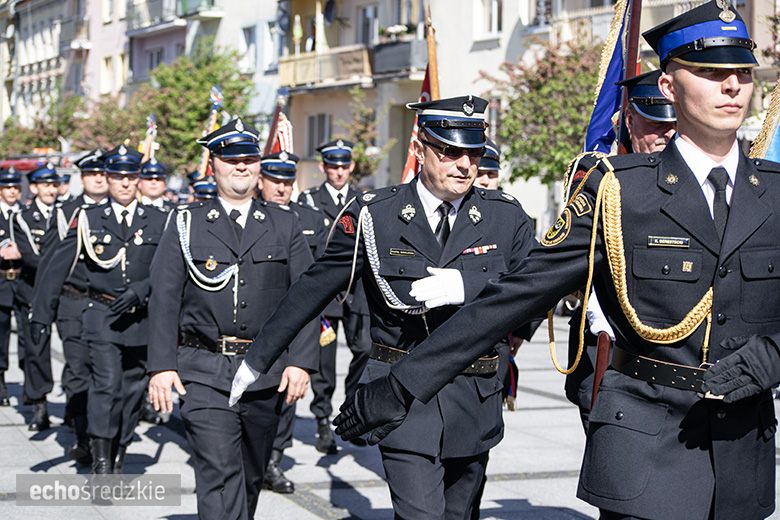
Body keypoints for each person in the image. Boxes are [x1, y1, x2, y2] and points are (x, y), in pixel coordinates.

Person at [333, 3, 780, 519]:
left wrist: (773, 354)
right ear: (668, 86)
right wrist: (401, 386)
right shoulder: (617, 191)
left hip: (742, 458)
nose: (732, 86)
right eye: (709, 72)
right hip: (647, 454)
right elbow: (513, 297)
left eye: (742, 73)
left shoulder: (772, 193)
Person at [231, 96, 539, 519]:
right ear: (419, 148)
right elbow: (312, 288)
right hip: (401, 395)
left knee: (459, 513)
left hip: (473, 394)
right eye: (449, 152)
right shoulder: (375, 214)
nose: (465, 165)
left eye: (473, 153)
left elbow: (536, 286)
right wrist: (258, 358)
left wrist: (469, 286)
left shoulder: (504, 216)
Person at [147, 118, 318, 520]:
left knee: (250, 474)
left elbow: (306, 297)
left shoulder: (284, 223)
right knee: (219, 473)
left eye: (249, 159)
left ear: (258, 166)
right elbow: (165, 298)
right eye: (230, 159)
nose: (241, 166)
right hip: (204, 369)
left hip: (264, 370)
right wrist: (161, 366)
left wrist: (300, 361)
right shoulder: (186, 222)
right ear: (213, 166)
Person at [31, 144, 168, 474]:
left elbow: (168, 269)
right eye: (118, 176)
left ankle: (120, 448)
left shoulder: (159, 219)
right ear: (108, 178)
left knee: (133, 389)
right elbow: (57, 266)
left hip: (141, 319)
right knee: (106, 385)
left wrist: (141, 289)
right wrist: (41, 314)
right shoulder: (89, 218)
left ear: (138, 179)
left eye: (131, 176)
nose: (125, 183)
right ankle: (102, 460)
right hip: (102, 315)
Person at [565, 69, 677, 431]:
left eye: (674, 123)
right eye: (655, 124)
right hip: (607, 352)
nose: (666, 133)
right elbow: (570, 255)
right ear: (628, 120)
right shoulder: (597, 178)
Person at [257, 150, 328, 494]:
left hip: (293, 319)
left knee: (287, 393)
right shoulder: (250, 215)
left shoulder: (310, 218)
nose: (281, 188)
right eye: (274, 181)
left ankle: (274, 459)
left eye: (287, 181)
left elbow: (324, 271)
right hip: (254, 320)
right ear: (261, 181)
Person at [297, 138, 371, 452]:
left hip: (357, 292)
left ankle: (352, 409)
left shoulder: (363, 199)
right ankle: (323, 421)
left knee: (365, 349)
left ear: (351, 166)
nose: (339, 172)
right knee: (324, 361)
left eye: (344, 166)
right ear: (323, 167)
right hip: (327, 297)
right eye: (333, 166)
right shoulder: (309, 201)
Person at [35, 149, 109, 461]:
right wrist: (41, 309)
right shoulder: (66, 212)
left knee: (108, 374)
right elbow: (50, 265)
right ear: (82, 177)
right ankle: (83, 436)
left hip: (108, 306)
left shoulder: (120, 210)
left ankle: (105, 433)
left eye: (103, 173)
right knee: (79, 370)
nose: (98, 179)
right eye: (92, 174)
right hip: (74, 302)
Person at [13, 162, 61, 431]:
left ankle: (76, 407)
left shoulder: (68, 213)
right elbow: (30, 257)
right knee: (36, 349)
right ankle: (39, 405)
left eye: (54, 185)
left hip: (64, 291)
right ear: (33, 188)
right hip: (32, 290)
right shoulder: (22, 217)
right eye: (46, 185)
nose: (51, 190)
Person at [0, 167, 22, 407]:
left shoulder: (26, 213)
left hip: (23, 281)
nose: (12, 191)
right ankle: (1, 381)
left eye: (15, 187)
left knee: (27, 336)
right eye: (7, 187)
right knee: (1, 334)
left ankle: (31, 384)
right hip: (1, 281)